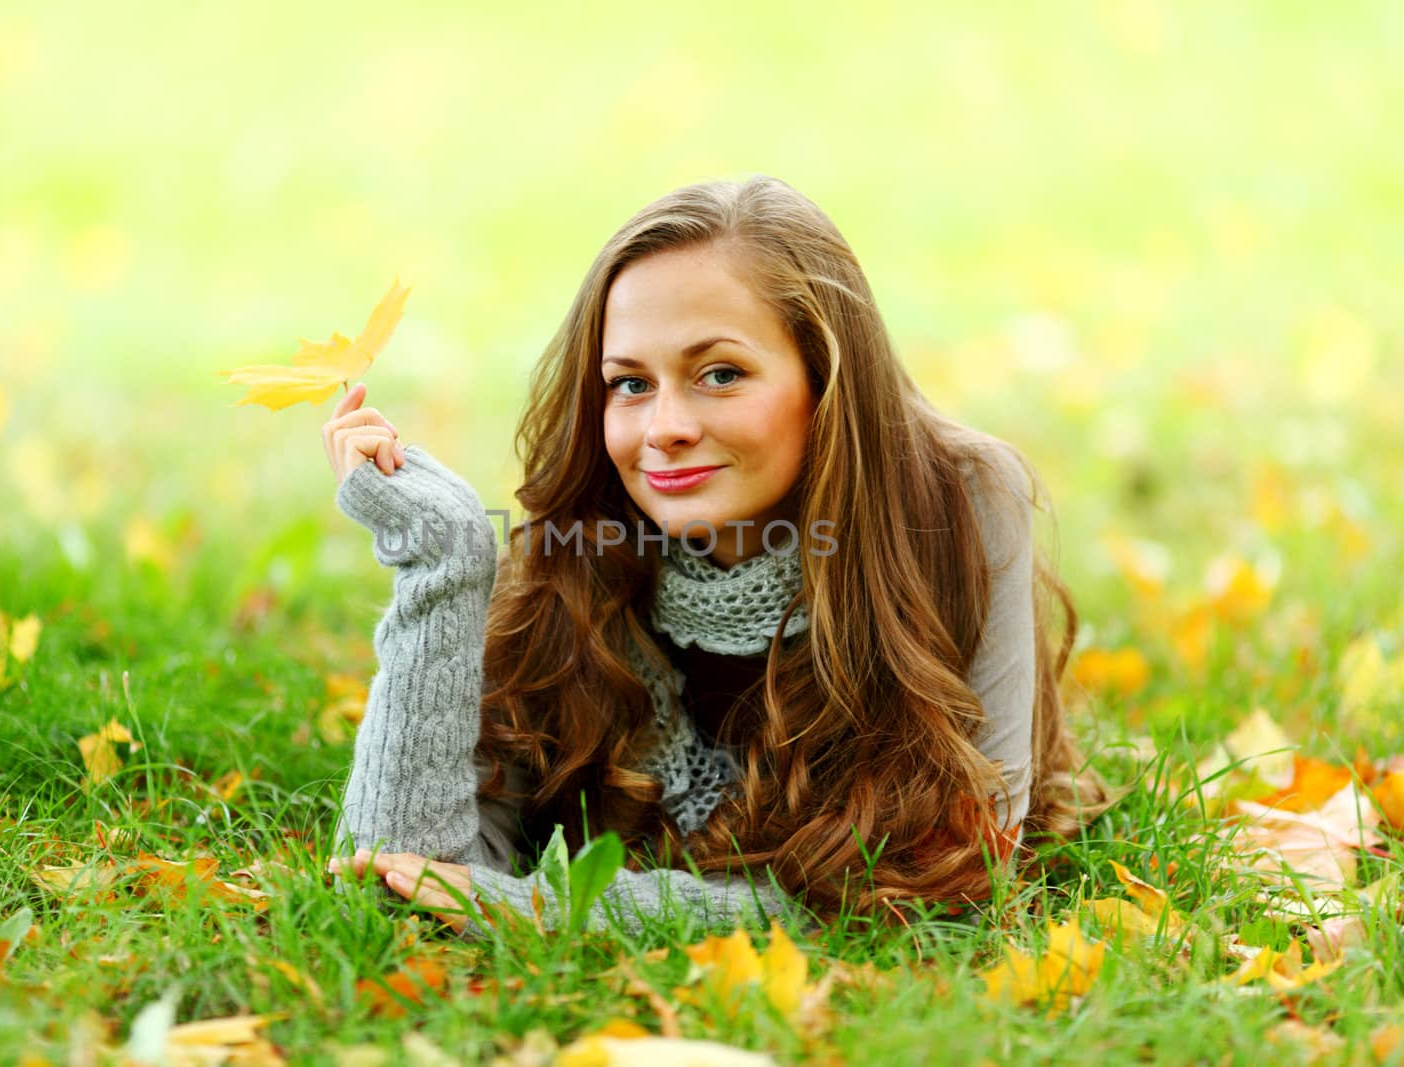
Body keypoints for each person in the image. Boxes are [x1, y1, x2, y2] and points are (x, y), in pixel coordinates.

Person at [324, 175, 1110, 940]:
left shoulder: (958, 501)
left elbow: (956, 871)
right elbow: (400, 876)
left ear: (825, 379)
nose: (663, 426)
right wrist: (441, 567)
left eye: (720, 374)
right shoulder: (586, 542)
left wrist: (553, 910)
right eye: (629, 384)